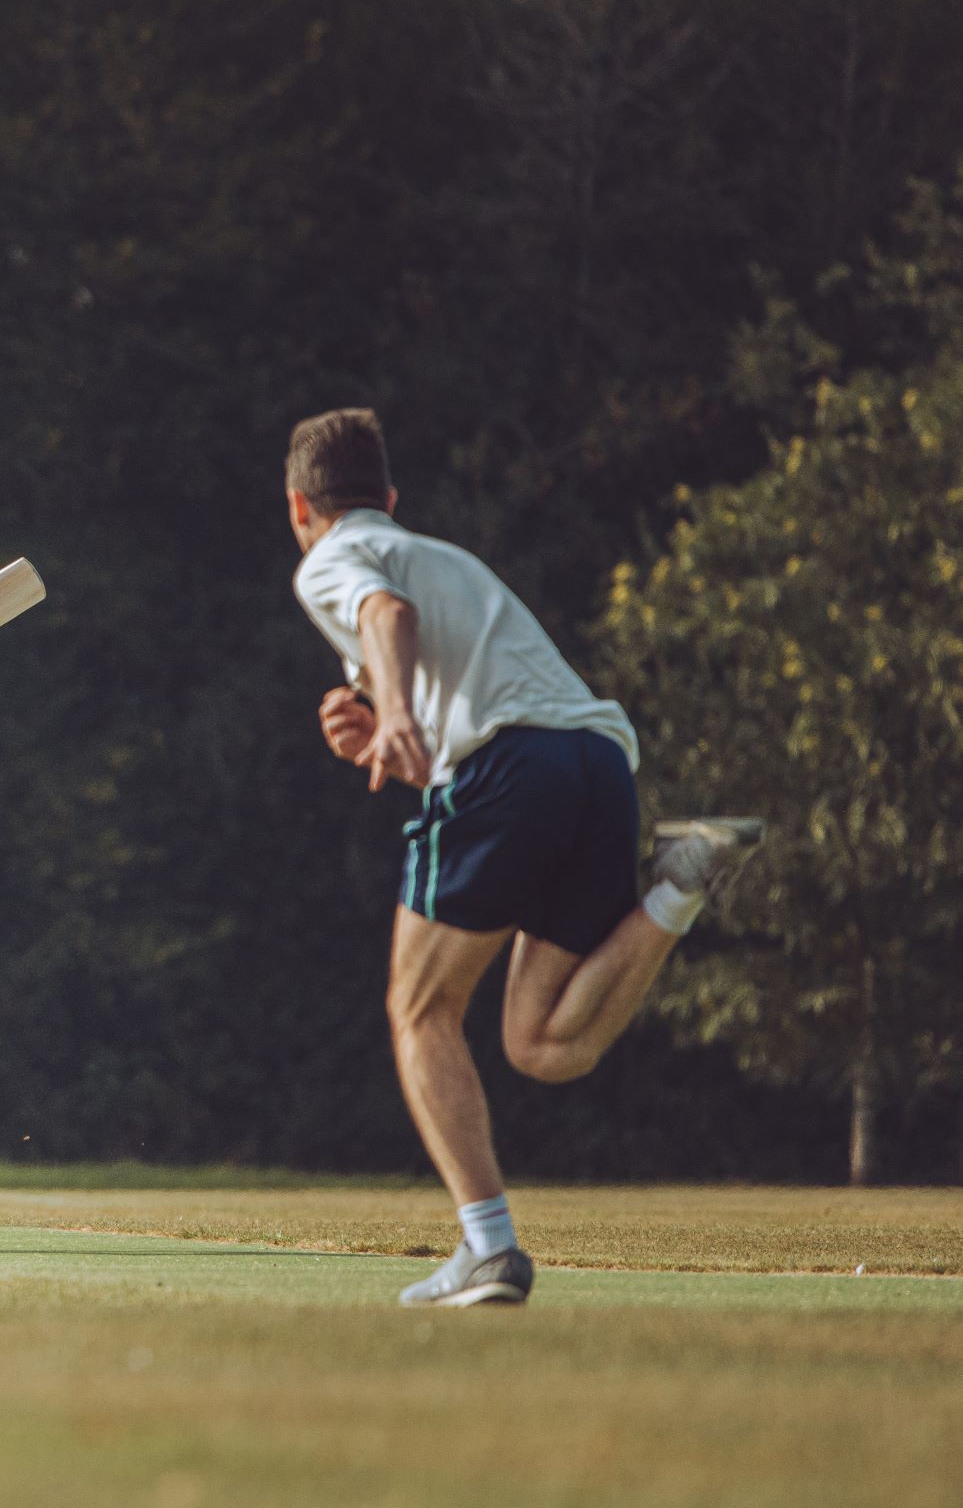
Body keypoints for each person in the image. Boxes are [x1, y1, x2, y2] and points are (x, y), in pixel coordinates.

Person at [285, 408, 763, 1306]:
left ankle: (488, 1248)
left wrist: (390, 713)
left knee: (418, 1008)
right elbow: (427, 663)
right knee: (543, 1043)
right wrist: (383, 718)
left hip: (509, 767)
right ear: (389, 496)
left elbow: (382, 612)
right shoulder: (449, 558)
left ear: (298, 507)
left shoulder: (331, 557)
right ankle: (679, 887)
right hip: (596, 763)